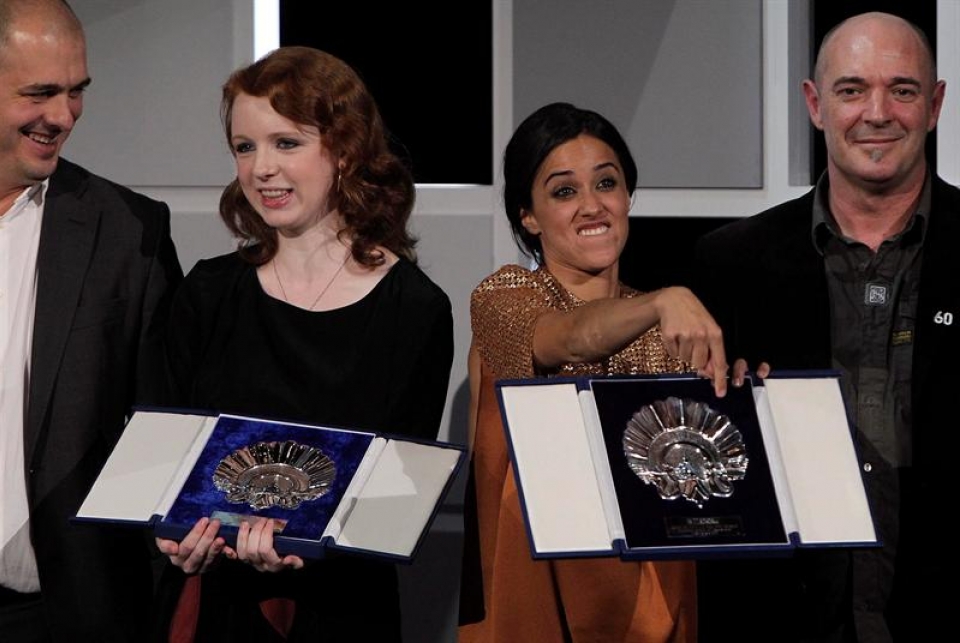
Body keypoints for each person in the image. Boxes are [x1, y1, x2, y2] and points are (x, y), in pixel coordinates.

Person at [151, 46, 454, 643]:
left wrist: (311, 548)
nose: (261, 168)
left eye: (286, 143)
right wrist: (171, 535)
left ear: (344, 150)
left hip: (342, 610)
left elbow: (396, 493)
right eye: (245, 146)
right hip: (216, 605)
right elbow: (165, 456)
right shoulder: (209, 293)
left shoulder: (414, 309)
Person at [692, 11, 954, 642]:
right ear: (814, 105)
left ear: (936, 104)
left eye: (903, 89)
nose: (878, 112)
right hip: (782, 620)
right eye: (851, 89)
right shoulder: (728, 264)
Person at [457, 102, 731, 643]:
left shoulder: (670, 332)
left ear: (628, 196)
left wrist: (739, 402)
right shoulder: (506, 298)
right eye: (563, 191)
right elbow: (569, 339)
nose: (591, 205)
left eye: (606, 183)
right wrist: (663, 300)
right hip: (533, 607)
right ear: (528, 217)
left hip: (651, 608)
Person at [0, 0, 183, 641]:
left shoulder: (128, 231)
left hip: (62, 614)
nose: (64, 116)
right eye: (40, 93)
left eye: (77, 92)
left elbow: (164, 431)